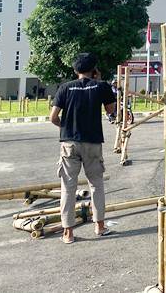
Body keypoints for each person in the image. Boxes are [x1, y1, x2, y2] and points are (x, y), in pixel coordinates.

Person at [49, 53, 117, 244]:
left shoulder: (65, 88)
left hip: (69, 142)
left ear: (75, 70)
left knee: (68, 187)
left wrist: (66, 127)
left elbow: (53, 117)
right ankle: (100, 226)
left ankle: (68, 232)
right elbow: (111, 110)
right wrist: (99, 80)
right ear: (94, 69)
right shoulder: (101, 86)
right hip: (92, 142)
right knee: (96, 184)